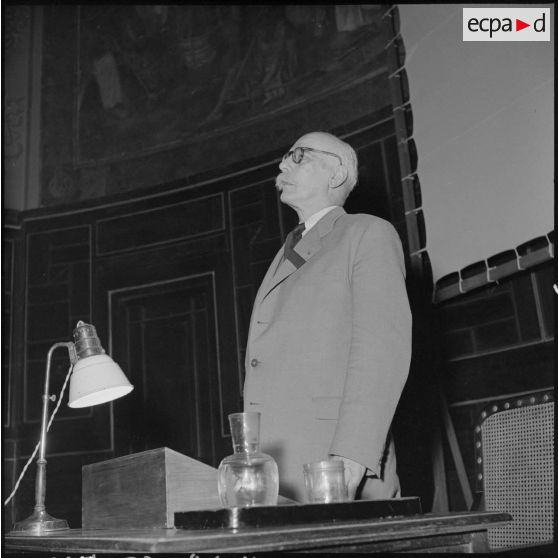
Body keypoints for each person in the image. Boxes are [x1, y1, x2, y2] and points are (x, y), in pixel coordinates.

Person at [243, 131, 412, 502]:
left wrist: (352, 456)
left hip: (333, 465)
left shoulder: (367, 233)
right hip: (277, 469)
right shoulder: (286, 251)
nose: (282, 165)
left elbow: (382, 352)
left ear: (336, 174)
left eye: (298, 155)